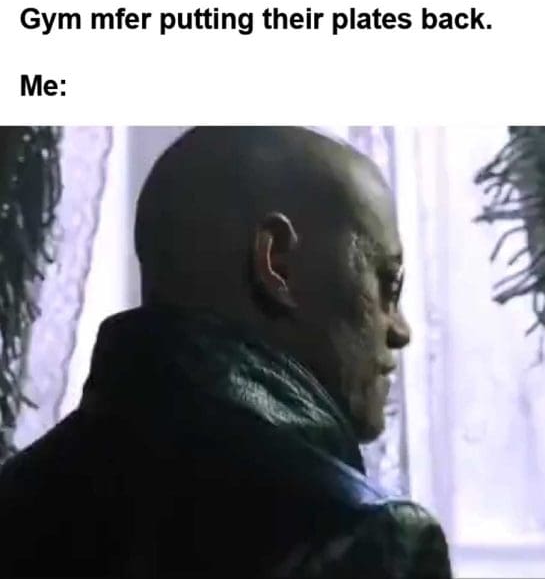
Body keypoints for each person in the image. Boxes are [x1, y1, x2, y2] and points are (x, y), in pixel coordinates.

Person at [0, 127, 452, 578]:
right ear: (277, 263)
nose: (401, 330)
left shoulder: (16, 498)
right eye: (388, 284)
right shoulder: (366, 537)